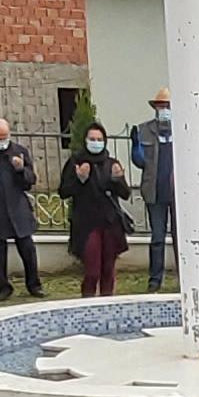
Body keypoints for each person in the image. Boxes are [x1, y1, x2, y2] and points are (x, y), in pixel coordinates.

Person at [60, 123, 132, 297]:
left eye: (99, 139)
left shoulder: (112, 163)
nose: (96, 142)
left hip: (110, 222)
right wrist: (80, 179)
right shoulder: (76, 162)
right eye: (92, 139)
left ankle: (107, 303)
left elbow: (125, 194)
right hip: (86, 223)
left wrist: (118, 180)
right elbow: (63, 192)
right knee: (92, 271)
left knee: (108, 269)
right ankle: (87, 303)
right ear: (85, 140)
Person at [0, 117, 44, 300]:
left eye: (5, 136)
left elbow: (30, 181)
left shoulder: (19, 152)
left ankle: (34, 285)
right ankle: (3, 287)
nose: (2, 140)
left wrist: (21, 169)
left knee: (28, 249)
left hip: (18, 207)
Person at [129, 89, 179, 292]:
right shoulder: (144, 130)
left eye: (167, 106)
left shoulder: (182, 129)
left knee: (180, 238)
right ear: (155, 108)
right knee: (157, 238)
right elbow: (140, 162)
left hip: (178, 193)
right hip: (155, 192)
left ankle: (184, 277)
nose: (164, 110)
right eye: (161, 106)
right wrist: (135, 147)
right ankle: (155, 279)